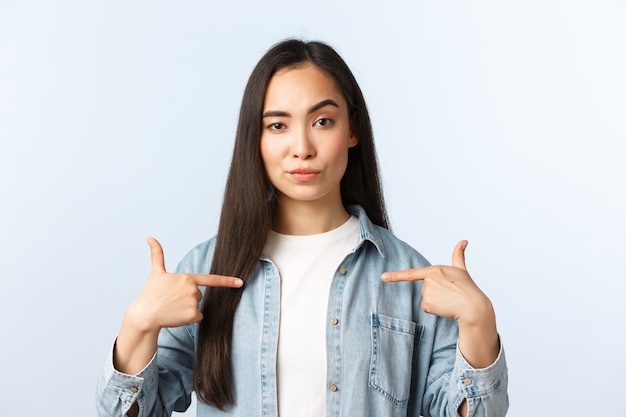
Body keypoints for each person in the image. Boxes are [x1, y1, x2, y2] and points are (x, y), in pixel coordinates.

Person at [96, 39, 508, 417]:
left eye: (322, 121)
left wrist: (480, 328)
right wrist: (138, 325)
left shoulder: (410, 277)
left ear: (352, 130)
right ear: (254, 139)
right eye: (277, 125)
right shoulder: (206, 271)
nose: (302, 148)